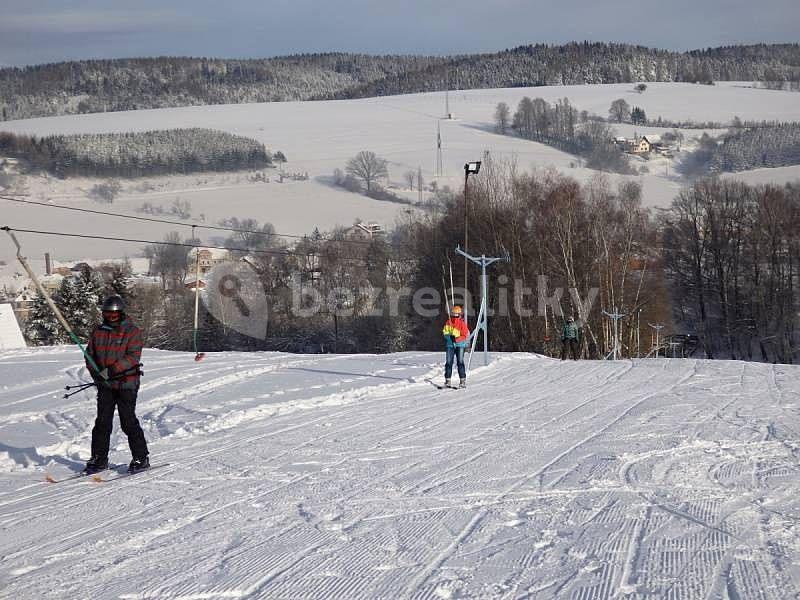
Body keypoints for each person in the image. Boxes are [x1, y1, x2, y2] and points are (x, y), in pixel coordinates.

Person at [83, 295, 149, 474]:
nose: (111, 317)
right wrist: (96, 373)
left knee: (128, 421)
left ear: (121, 313)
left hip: (126, 383)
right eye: (107, 314)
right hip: (105, 385)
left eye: (114, 315)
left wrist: (111, 371)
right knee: (102, 422)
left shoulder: (131, 331)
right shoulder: (98, 331)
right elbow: (89, 355)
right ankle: (99, 458)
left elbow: (133, 357)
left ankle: (141, 457)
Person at [442, 305, 470, 388]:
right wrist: (449, 337)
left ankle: (462, 380)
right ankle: (447, 380)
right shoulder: (448, 322)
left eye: (456, 314)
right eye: (454, 313)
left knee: (460, 362)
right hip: (450, 345)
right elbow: (445, 333)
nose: (455, 315)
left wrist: (456, 339)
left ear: (459, 314)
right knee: (448, 362)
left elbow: (464, 335)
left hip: (460, 345)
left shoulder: (462, 324)